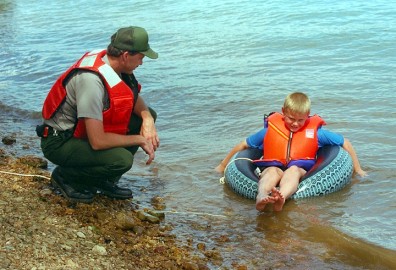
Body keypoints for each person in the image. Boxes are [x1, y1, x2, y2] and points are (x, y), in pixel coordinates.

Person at [36, 26, 160, 203]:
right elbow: (98, 141)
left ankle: (102, 180)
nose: (142, 62)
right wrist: (139, 140)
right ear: (126, 55)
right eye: (141, 57)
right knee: (122, 161)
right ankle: (66, 177)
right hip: (59, 141)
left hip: (81, 134)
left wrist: (147, 119)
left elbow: (133, 97)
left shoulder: (116, 66)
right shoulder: (91, 81)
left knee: (146, 115)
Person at [215, 92, 367, 211]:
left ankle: (282, 197)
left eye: (300, 120)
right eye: (291, 118)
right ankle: (261, 196)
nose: (295, 123)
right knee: (271, 172)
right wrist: (223, 165)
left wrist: (357, 169)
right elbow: (243, 145)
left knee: (293, 171)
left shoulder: (317, 134)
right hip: (273, 165)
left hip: (299, 169)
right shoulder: (270, 131)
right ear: (283, 112)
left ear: (308, 116)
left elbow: (345, 143)